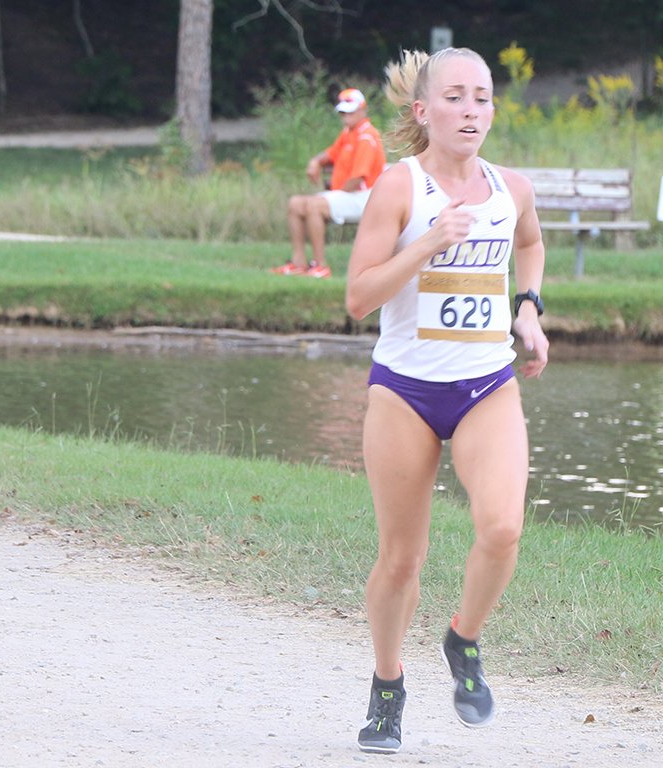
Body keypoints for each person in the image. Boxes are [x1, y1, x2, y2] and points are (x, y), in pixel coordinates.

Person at [344, 47, 549, 755]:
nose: (471, 111)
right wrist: (428, 243)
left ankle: (463, 638)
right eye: (455, 97)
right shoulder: (399, 187)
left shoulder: (510, 188)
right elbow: (358, 297)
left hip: (486, 385)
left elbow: (530, 244)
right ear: (424, 110)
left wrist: (528, 310)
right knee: (401, 559)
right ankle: (388, 686)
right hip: (404, 390)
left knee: (503, 528)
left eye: (482, 98)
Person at [272, 87, 386, 278]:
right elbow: (331, 153)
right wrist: (315, 162)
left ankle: (320, 266)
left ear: (362, 110)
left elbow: (358, 178)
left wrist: (333, 194)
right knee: (295, 203)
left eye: (350, 112)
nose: (345, 116)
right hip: (348, 194)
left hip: (365, 196)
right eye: (343, 112)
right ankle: (298, 262)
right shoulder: (348, 132)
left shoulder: (366, 136)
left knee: (315, 206)